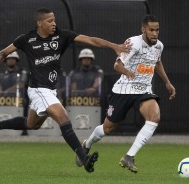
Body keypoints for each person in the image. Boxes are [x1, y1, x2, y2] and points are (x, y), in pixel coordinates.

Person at [0, 7, 129, 173]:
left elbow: (91, 40)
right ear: (39, 23)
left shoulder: (62, 35)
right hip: (38, 89)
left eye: (54, 20)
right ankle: (84, 158)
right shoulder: (26, 39)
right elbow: (3, 52)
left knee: (31, 124)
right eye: (50, 21)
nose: (54, 23)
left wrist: (114, 46)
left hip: (50, 90)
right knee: (63, 118)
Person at [75, 14, 176, 173]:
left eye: (157, 30)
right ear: (143, 29)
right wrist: (127, 72)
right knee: (107, 129)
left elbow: (157, 63)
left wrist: (167, 82)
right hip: (123, 90)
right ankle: (86, 145)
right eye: (151, 30)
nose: (155, 33)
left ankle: (129, 156)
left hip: (143, 91)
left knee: (154, 116)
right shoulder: (133, 43)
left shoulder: (159, 46)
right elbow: (116, 65)